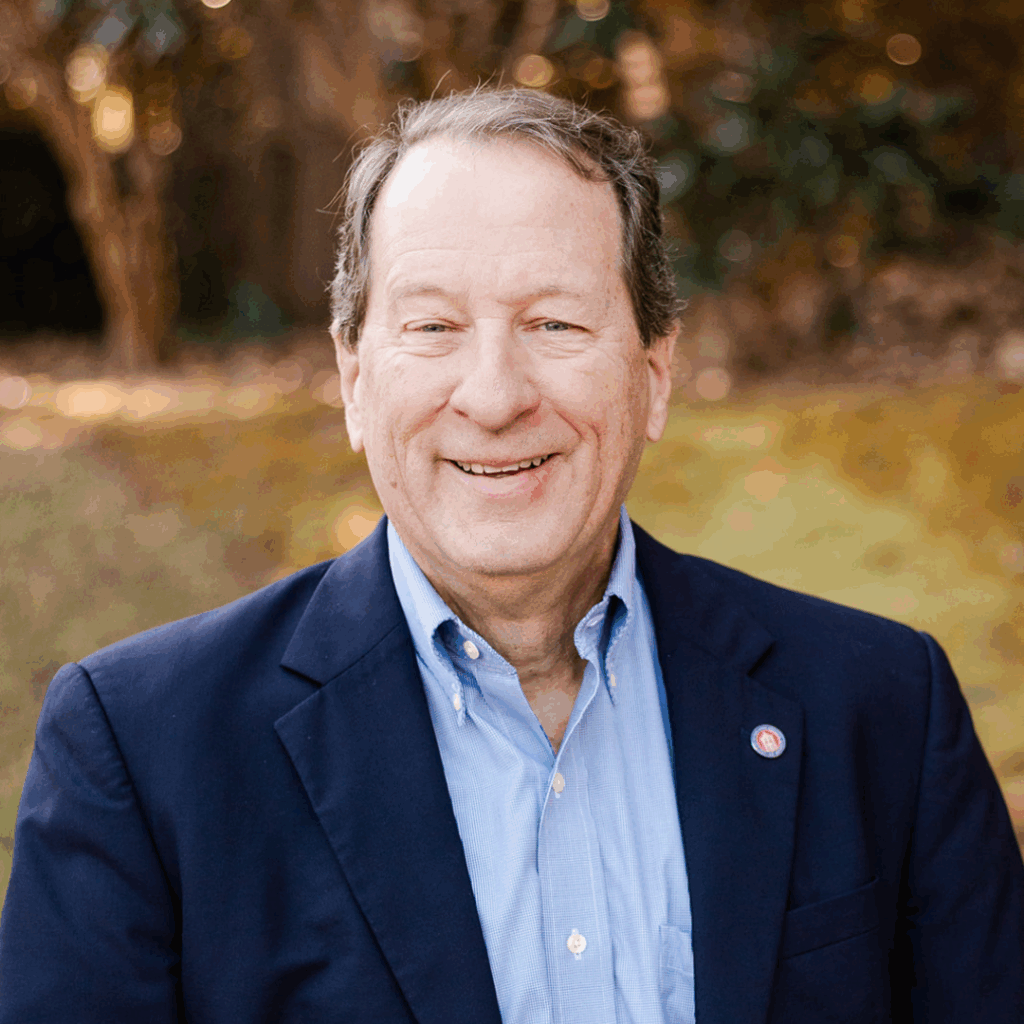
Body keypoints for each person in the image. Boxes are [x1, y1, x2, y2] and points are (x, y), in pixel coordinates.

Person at [1, 87, 1022, 1024]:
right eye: (434, 325)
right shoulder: (141, 752)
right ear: (355, 378)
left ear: (655, 372)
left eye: (554, 321)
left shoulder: (883, 709)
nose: (493, 395)